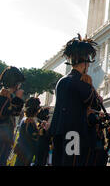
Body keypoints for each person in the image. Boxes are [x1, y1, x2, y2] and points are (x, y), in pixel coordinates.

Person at [49, 34, 98, 166]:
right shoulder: (80, 83)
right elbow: (96, 104)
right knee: (72, 163)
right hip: (74, 133)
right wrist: (90, 85)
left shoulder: (62, 81)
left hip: (59, 131)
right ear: (84, 63)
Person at [0, 66, 25, 166]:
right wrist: (18, 99)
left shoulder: (8, 96)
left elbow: (15, 113)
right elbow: (4, 114)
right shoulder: (4, 96)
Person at [10, 97, 42, 166]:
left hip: (23, 150)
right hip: (26, 151)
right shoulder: (29, 121)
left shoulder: (26, 119)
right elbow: (33, 137)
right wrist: (41, 131)